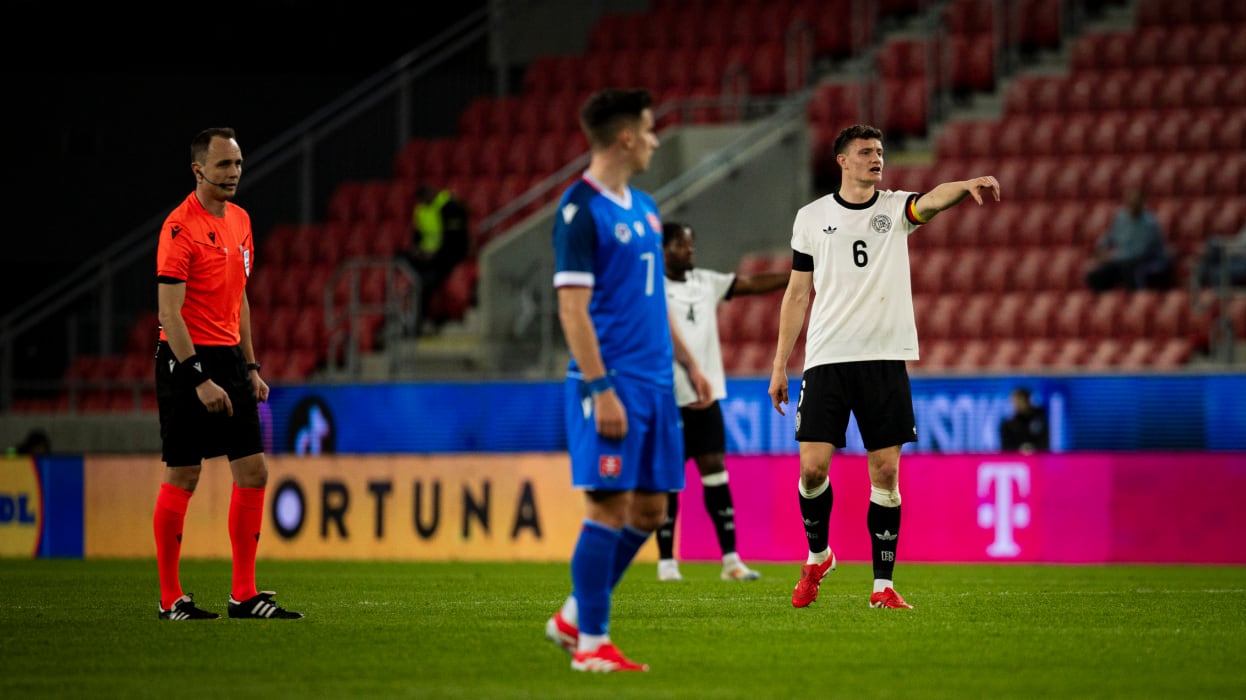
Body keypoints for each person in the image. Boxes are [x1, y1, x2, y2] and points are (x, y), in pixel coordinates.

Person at [768, 123, 1000, 610]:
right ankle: (819, 555)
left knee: (886, 471)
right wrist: (779, 364)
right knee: (811, 468)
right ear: (842, 160)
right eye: (866, 152)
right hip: (827, 357)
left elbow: (930, 201)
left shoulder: (895, 209)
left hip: (884, 357)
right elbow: (797, 294)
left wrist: (963, 185)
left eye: (879, 151)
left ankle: (882, 586)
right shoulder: (811, 217)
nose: (877, 158)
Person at [543, 88, 712, 673]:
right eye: (648, 129)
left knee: (650, 512)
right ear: (625, 138)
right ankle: (592, 645)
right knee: (608, 508)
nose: (655, 140)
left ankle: (573, 616)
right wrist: (600, 388)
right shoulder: (579, 210)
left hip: (657, 384)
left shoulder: (644, 207)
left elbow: (651, 297)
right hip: (612, 383)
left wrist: (688, 362)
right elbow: (572, 311)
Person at [153, 127, 302, 621]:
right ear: (198, 170)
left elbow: (239, 298)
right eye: (223, 165)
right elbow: (169, 314)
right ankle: (171, 599)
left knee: (254, 471)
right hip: (185, 359)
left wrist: (250, 366)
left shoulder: (240, 221)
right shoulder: (179, 228)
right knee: (184, 473)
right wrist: (199, 378)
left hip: (230, 359)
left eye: (237, 163)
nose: (234, 172)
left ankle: (244, 595)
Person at [655, 221, 789, 583]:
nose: (689, 250)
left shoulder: (704, 282)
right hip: (668, 397)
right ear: (662, 249)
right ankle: (666, 562)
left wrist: (797, 276)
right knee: (669, 478)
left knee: (715, 471)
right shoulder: (652, 289)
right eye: (681, 244)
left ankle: (731, 560)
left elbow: (750, 284)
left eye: (691, 243)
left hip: (707, 396)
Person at [400, 183, 470, 334]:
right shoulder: (420, 209)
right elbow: (418, 234)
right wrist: (416, 249)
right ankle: (405, 319)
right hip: (427, 255)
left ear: (430, 194)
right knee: (399, 258)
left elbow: (456, 239)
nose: (421, 203)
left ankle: (421, 321)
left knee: (426, 282)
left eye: (423, 200)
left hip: (447, 255)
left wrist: (434, 254)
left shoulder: (450, 206)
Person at [1085, 185, 1171, 292]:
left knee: (1129, 269)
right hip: (1122, 260)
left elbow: (1139, 252)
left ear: (1142, 203)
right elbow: (1111, 235)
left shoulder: (1149, 224)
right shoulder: (1121, 216)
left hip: (1146, 261)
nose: (1132, 205)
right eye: (1130, 202)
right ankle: (1105, 300)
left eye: (1136, 202)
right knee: (1097, 275)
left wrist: (1112, 257)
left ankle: (1135, 299)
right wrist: (1101, 247)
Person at [998, 387, 1049, 453]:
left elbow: (1044, 443)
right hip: (1016, 458)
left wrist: (1032, 448)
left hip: (1038, 456)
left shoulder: (1040, 420)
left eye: (1020, 400)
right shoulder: (1008, 424)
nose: (1017, 404)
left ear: (1028, 400)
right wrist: (1020, 449)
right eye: (1014, 401)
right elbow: (1006, 447)